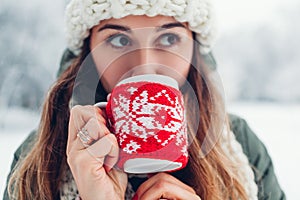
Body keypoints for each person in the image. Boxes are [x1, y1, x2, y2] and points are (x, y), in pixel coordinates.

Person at [3, 0, 285, 199]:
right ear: (87, 52)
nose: (144, 66)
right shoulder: (40, 158)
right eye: (119, 41)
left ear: (195, 49)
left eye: (168, 39)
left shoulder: (241, 146)